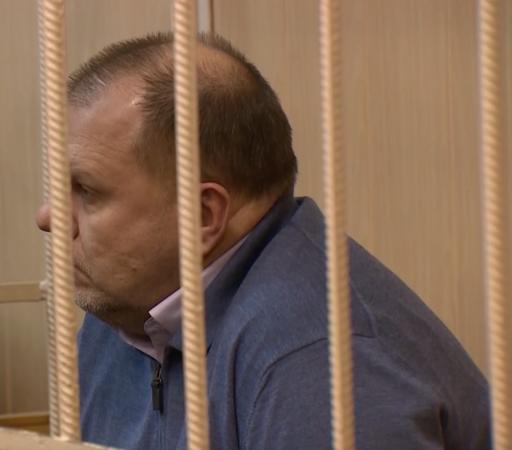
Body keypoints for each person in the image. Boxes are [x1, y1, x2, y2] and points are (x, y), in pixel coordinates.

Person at [35, 33, 489, 449]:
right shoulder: (126, 307)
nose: (48, 217)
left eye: (87, 191)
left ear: (202, 215)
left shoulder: (315, 358)